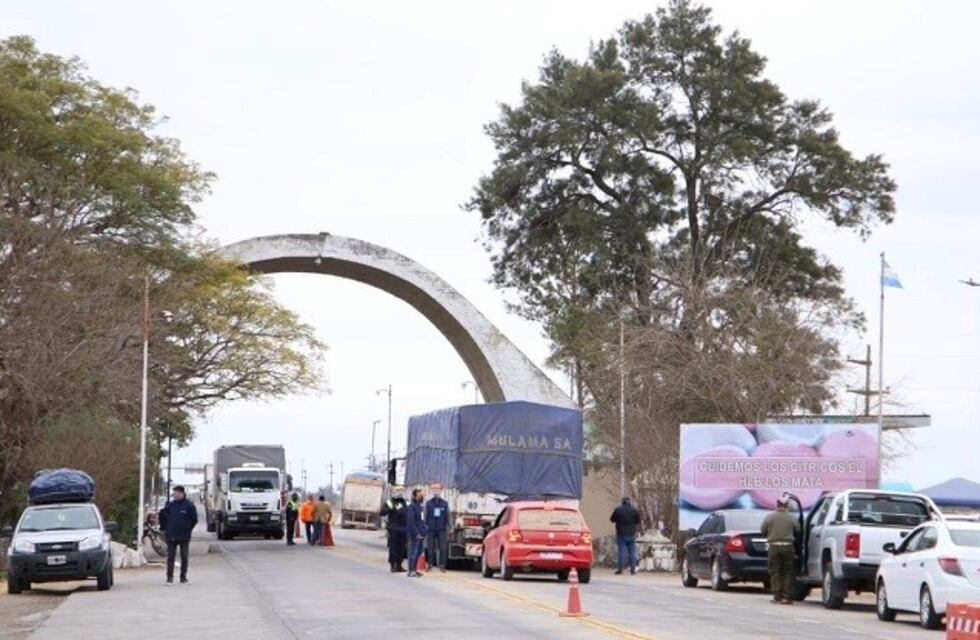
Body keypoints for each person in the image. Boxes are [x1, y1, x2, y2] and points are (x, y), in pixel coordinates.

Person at [761, 495, 801, 605]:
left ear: (777, 504)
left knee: (775, 571)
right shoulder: (792, 518)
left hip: (774, 546)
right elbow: (798, 530)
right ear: (787, 505)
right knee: (788, 571)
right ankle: (787, 596)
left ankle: (777, 596)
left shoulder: (769, 517)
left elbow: (763, 530)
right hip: (788, 547)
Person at [158, 485, 198, 585]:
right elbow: (163, 516)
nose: (174, 495)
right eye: (174, 493)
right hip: (171, 535)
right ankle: (169, 578)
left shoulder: (189, 506)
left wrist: (188, 529)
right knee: (170, 557)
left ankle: (183, 577)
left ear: (182, 493)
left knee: (184, 557)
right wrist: (165, 528)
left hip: (184, 536)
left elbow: (194, 520)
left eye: (176, 493)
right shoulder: (171, 505)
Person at [610, 497, 642, 575]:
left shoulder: (618, 510)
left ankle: (620, 569)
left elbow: (612, 519)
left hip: (621, 534)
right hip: (631, 534)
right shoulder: (634, 510)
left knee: (622, 552)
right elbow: (638, 521)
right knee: (632, 552)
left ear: (622, 502)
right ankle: (633, 570)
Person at [424, 483, 450, 572]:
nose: (436, 491)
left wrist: (449, 528)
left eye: (438, 489)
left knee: (442, 548)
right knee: (430, 548)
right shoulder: (428, 503)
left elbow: (448, 517)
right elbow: (425, 516)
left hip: (441, 529)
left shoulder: (444, 504)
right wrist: (425, 526)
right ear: (431, 490)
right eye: (434, 489)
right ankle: (430, 564)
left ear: (441, 490)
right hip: (431, 529)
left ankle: (442, 565)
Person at [381, 493, 408, 572]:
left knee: (402, 548)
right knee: (393, 548)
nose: (400, 492)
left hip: (403, 529)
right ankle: (393, 565)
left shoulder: (405, 502)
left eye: (402, 490)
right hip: (393, 529)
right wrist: (390, 508)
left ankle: (399, 565)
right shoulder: (390, 502)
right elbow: (382, 513)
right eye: (398, 490)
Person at [406, 488, 427, 577]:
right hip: (415, 534)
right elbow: (411, 522)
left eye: (422, 495)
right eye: (420, 495)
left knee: (418, 553)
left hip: (421, 534)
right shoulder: (412, 507)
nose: (422, 497)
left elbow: (422, 521)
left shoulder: (420, 507)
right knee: (413, 552)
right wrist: (416, 533)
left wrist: (425, 530)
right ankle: (411, 570)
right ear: (415, 496)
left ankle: (415, 569)